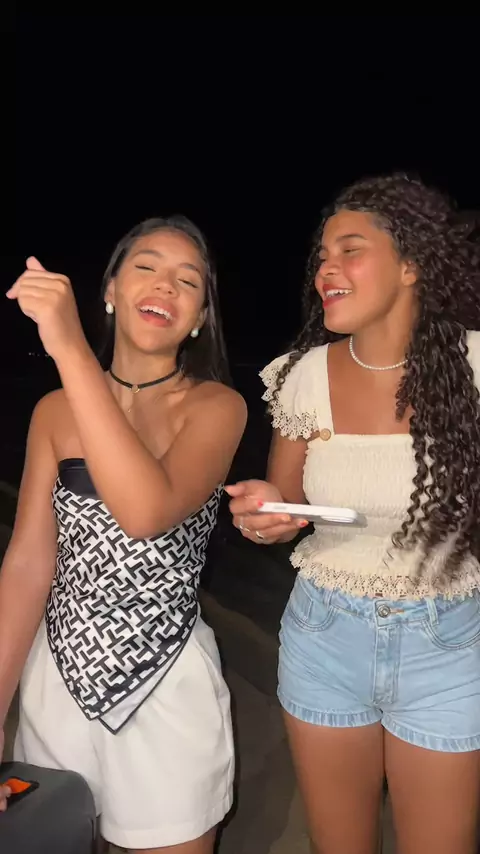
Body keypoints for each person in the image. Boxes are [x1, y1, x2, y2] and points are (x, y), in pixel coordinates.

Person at [227, 173, 480, 854]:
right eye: (321, 256)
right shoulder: (301, 375)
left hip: (449, 646)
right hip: (324, 636)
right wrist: (265, 516)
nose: (326, 270)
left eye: (350, 250)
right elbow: (286, 504)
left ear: (410, 264)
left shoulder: (476, 366)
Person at [0, 216, 247, 853]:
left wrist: (70, 347)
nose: (166, 285)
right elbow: (27, 565)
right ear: (110, 290)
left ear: (199, 317)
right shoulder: (53, 412)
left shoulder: (217, 407)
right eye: (146, 266)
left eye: (188, 281)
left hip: (169, 680)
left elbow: (145, 513)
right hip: (56, 679)